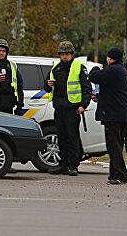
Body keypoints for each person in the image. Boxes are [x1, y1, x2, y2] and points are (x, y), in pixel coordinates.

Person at [43, 41, 92, 176]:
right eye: (62, 54)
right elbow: (46, 87)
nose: (64, 57)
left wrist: (83, 105)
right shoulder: (56, 68)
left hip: (73, 108)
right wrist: (48, 84)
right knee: (61, 138)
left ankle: (73, 165)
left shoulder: (79, 67)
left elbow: (86, 88)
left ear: (72, 55)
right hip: (59, 108)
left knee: (72, 137)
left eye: (67, 54)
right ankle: (63, 165)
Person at [88, 47, 127, 185]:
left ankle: (120, 175)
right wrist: (100, 97)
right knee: (117, 145)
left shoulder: (113, 69)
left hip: (113, 115)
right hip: (121, 113)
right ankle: (114, 174)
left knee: (114, 146)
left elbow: (94, 77)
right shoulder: (121, 70)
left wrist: (94, 68)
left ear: (109, 58)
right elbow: (114, 91)